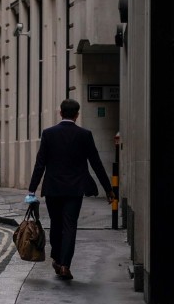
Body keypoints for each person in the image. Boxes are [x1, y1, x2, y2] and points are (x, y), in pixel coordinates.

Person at [27, 99, 114, 280]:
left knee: (56, 224)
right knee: (70, 225)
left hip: (53, 188)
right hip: (75, 189)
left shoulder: (49, 134)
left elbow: (40, 163)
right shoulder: (85, 135)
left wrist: (31, 190)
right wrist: (108, 189)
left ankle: (57, 259)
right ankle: (65, 265)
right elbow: (96, 163)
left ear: (60, 113)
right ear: (77, 115)